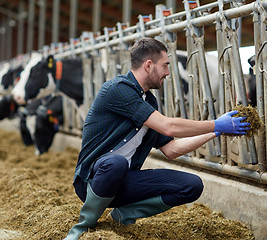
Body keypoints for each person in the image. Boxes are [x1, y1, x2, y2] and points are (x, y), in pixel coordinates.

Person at [64, 37, 250, 240]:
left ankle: (123, 215)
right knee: (115, 163)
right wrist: (216, 123)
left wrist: (216, 132)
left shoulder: (149, 102)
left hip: (122, 182)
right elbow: (168, 127)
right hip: (92, 182)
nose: (168, 73)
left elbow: (172, 150)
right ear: (149, 65)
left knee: (192, 185)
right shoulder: (117, 89)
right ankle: (83, 226)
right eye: (165, 65)